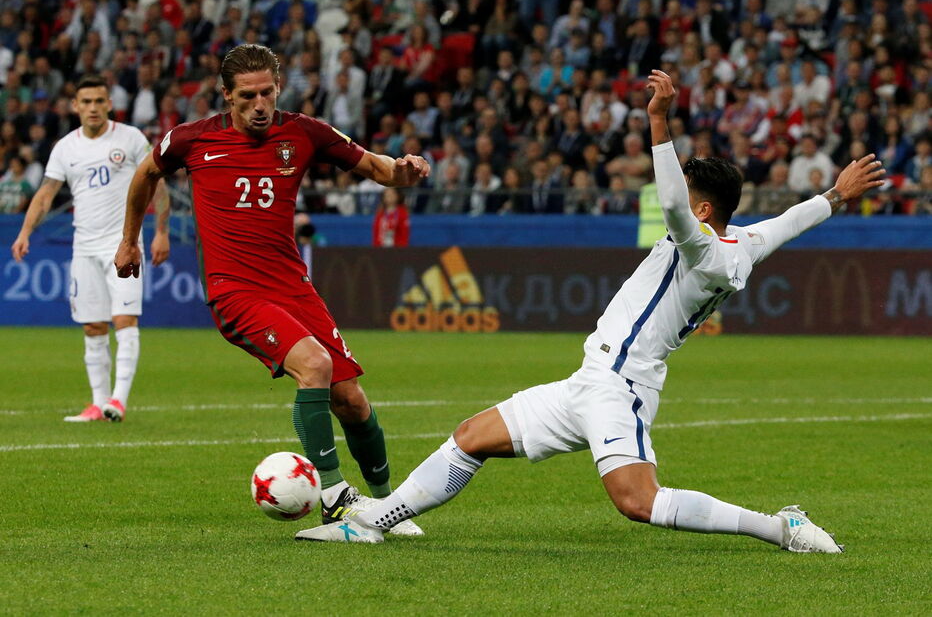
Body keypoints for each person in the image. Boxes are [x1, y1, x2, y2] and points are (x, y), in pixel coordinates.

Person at [297, 70, 886, 551]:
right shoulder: (742, 244)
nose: (676, 199)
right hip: (591, 379)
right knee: (471, 437)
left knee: (639, 502)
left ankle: (779, 527)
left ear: (704, 210)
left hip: (621, 387)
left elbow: (673, 206)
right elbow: (788, 222)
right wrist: (836, 194)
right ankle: (372, 522)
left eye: (688, 194)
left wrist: (659, 122)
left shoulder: (705, 252)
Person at [114, 44, 431, 535]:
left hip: (292, 286)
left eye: (267, 93)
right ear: (226, 95)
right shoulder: (192, 139)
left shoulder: (304, 132)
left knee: (351, 399)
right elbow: (145, 173)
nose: (259, 104)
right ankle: (335, 500)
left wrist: (402, 172)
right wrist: (129, 240)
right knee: (316, 366)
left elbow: (376, 167)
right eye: (247, 96)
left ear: (279, 87)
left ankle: (388, 507)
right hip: (234, 290)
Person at [11, 75, 170, 423]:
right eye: (86, 102)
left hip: (124, 245)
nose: (93, 108)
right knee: (92, 326)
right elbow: (46, 194)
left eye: (99, 101)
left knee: (124, 320)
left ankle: (118, 400)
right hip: (83, 247)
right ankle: (98, 404)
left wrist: (161, 231)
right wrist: (24, 232)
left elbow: (156, 183)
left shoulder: (130, 138)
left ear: (109, 104)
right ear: (75, 106)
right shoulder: (65, 148)